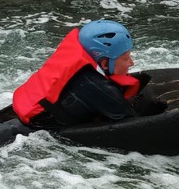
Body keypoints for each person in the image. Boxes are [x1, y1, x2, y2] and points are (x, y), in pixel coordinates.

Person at [12, 19, 166, 130]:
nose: (131, 63)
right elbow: (132, 125)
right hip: (40, 126)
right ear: (104, 64)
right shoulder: (97, 87)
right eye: (125, 58)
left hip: (26, 108)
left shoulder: (82, 61)